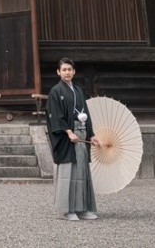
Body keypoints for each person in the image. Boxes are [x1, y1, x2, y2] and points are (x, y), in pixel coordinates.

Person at [45, 57, 101, 221]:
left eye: (70, 69)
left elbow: (86, 114)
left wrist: (92, 134)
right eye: (64, 70)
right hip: (67, 137)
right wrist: (68, 132)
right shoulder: (56, 91)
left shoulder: (78, 90)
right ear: (58, 72)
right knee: (68, 172)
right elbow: (54, 115)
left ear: (74, 72)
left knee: (81, 171)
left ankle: (82, 208)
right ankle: (67, 210)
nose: (67, 72)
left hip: (81, 134)